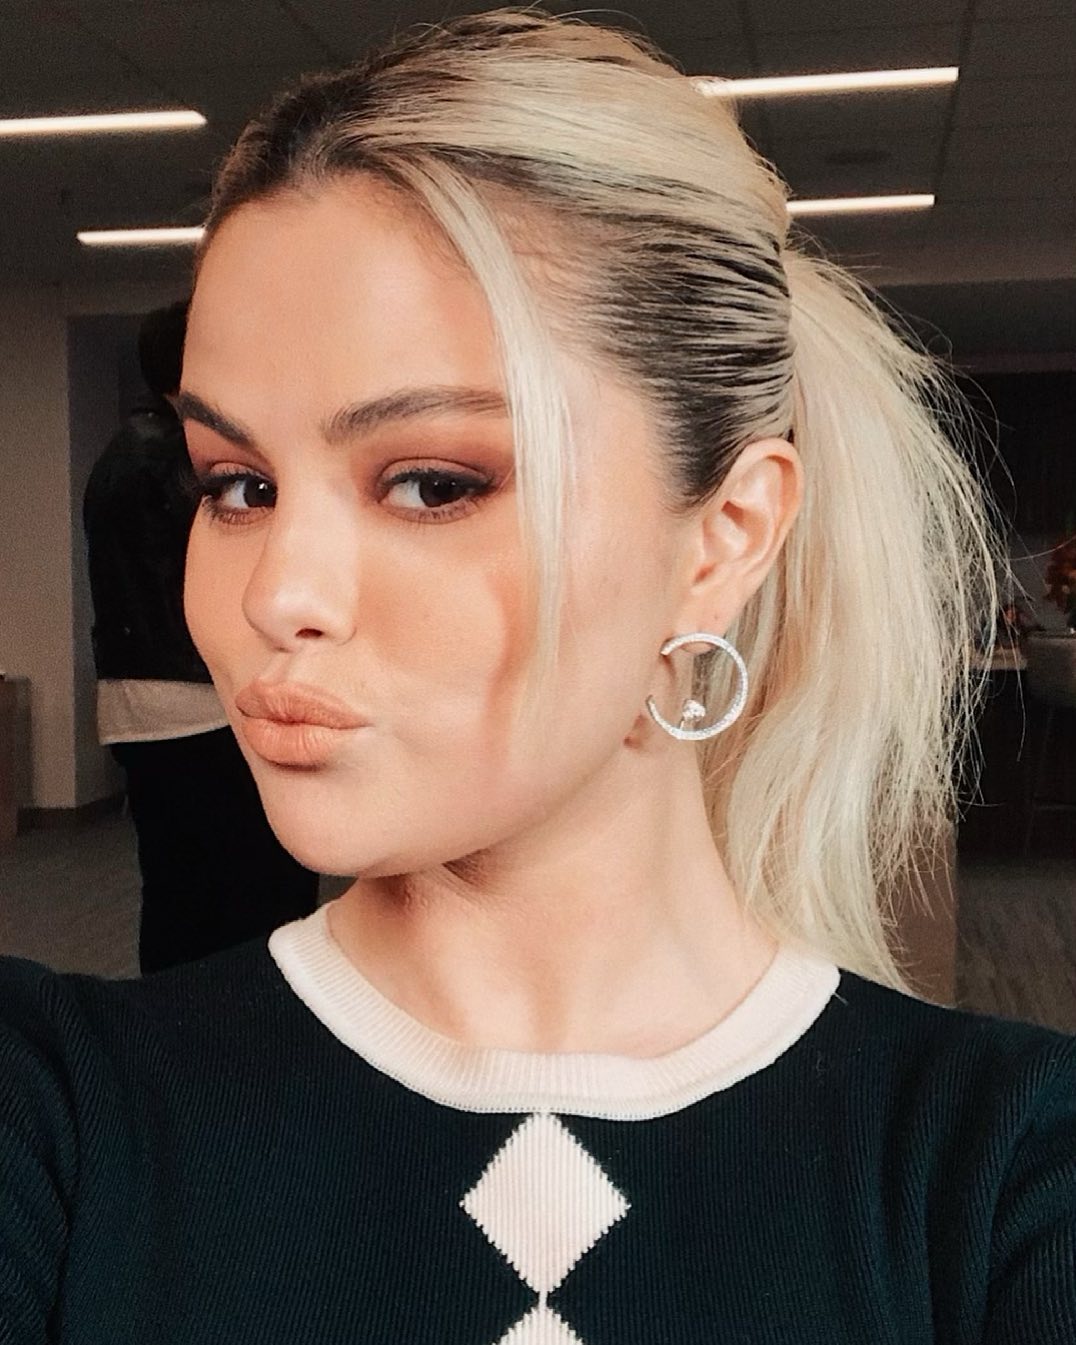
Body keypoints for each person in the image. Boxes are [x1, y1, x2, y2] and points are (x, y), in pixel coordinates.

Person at [4, 10, 1074, 1341]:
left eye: (431, 484)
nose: (275, 593)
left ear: (721, 539)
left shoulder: (1005, 1176)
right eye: (238, 485)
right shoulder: (54, 1115)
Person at [82, 301, 319, 973]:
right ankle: (254, 1013)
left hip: (135, 701)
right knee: (257, 879)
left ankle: (175, 1013)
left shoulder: (119, 456)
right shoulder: (181, 463)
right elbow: (213, 583)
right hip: (194, 702)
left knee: (176, 881)